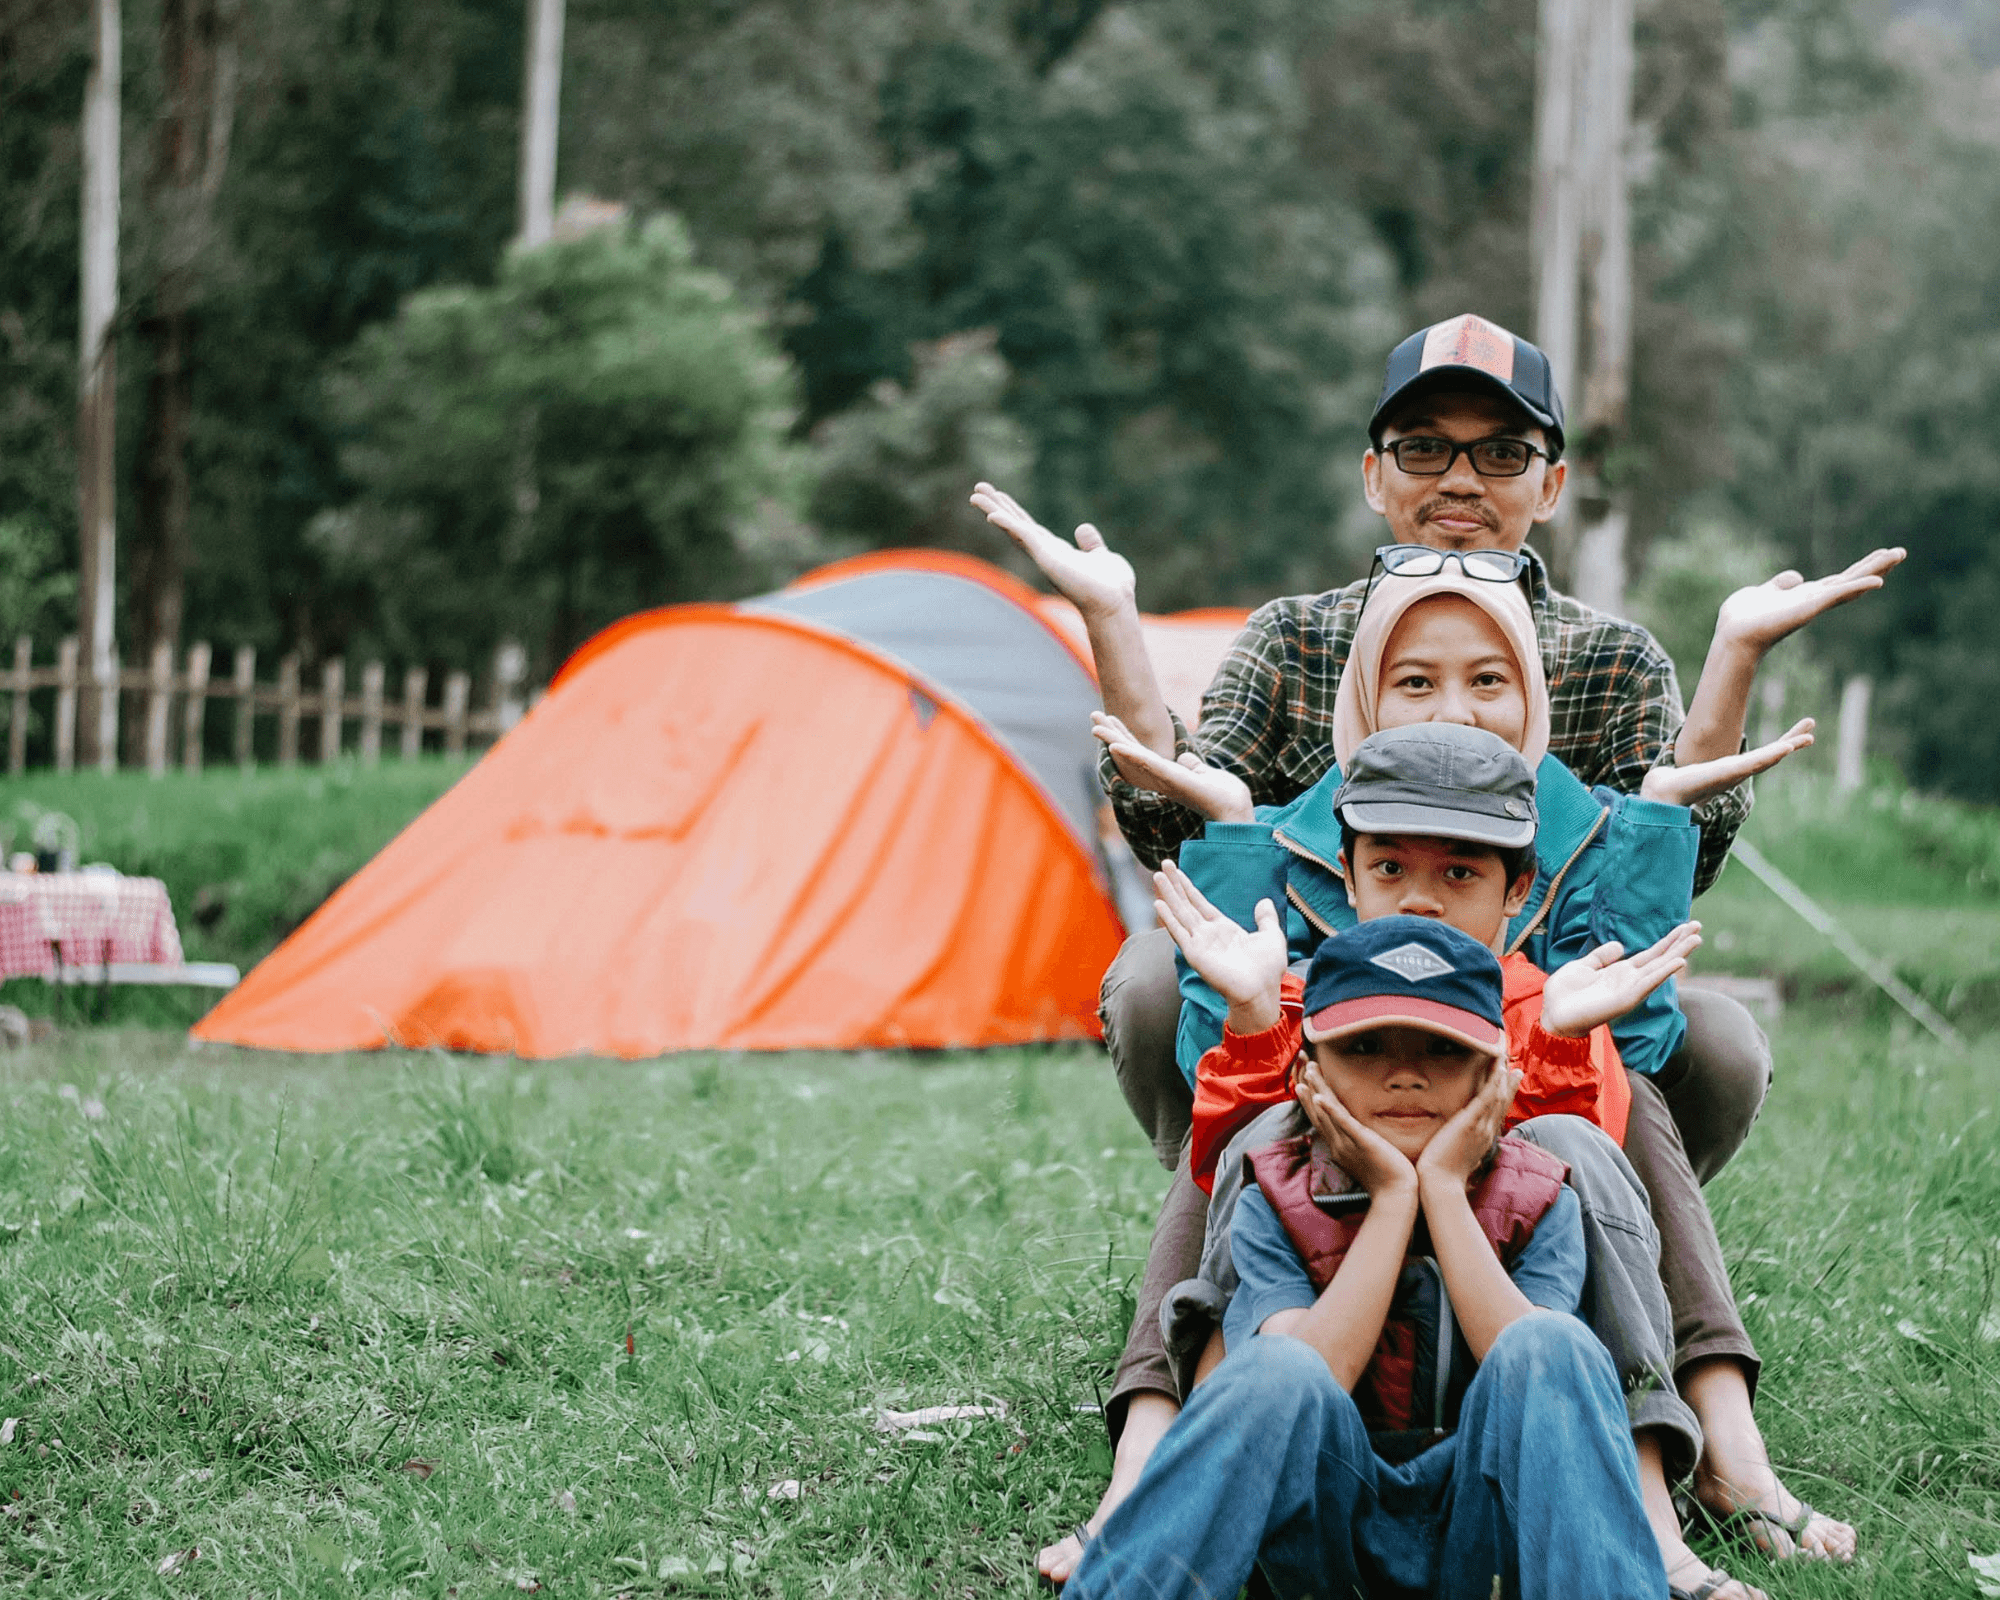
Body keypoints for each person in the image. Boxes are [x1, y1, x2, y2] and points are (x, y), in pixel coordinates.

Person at [973, 312, 1889, 1584]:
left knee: (1698, 1034)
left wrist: (1727, 664)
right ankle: (1213, 1346)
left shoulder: (1607, 657)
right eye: (1423, 446)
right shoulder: (1298, 639)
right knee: (1168, 997)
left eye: (1501, 452)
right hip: (1314, 1005)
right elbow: (1189, 825)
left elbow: (1657, 877)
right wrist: (1116, 635)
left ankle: (1695, 1420)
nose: (1460, 480)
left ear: (1551, 484)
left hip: (1535, 1011)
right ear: (1372, 472)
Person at [1143, 717, 1751, 1599]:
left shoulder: (1540, 994)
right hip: (1331, 1413)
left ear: (1518, 889)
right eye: (1391, 868)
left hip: (1489, 1412)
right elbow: (1236, 1140)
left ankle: (1646, 1498)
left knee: (1569, 1175)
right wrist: (1247, 1020)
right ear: (1348, 875)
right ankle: (1157, 1460)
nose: (1422, 899)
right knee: (1255, 1167)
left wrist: (1557, 1042)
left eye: (1459, 871)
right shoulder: (1305, 990)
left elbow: (1543, 1169)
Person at [1065, 915, 1670, 1600]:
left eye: (1441, 1050)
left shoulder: (1541, 1198)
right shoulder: (1274, 1195)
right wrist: (1389, 1199)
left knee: (1554, 1343)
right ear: (1308, 1072)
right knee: (1271, 1364)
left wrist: (1442, 1188)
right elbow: (1304, 1374)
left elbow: (1535, 1376)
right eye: (1367, 1046)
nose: (1404, 1076)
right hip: (1325, 1536)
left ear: (1495, 1076)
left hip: (1489, 1538)